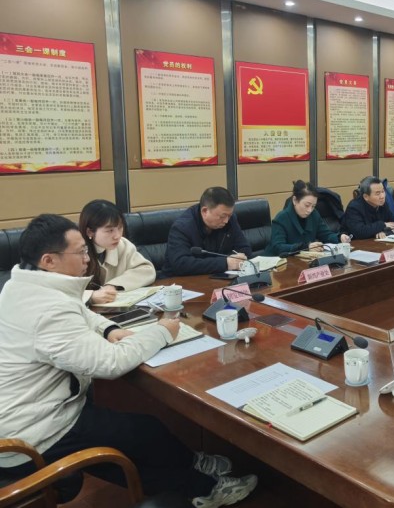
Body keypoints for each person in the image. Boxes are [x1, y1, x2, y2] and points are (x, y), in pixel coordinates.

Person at [0, 214, 257, 507]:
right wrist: (163, 331)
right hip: (35, 432)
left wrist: (109, 329)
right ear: (49, 261)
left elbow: (80, 313)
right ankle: (205, 487)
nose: (87, 258)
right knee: (143, 435)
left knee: (134, 440)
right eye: (80, 252)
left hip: (27, 414)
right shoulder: (48, 309)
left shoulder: (21, 286)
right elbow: (111, 364)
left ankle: (193, 467)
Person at [78, 199, 156, 305]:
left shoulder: (122, 245)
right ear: (89, 232)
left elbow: (147, 270)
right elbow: (59, 291)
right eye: (109, 230)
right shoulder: (73, 252)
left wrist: (113, 285)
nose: (117, 236)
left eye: (120, 228)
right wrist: (90, 296)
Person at [164, 187, 252, 276]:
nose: (226, 221)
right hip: (179, 281)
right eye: (222, 216)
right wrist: (225, 263)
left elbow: (245, 249)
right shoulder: (182, 227)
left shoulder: (230, 220)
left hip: (217, 277)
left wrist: (237, 258)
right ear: (205, 211)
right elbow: (181, 264)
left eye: (229, 216)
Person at [265, 180, 351, 256]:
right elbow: (278, 247)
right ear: (295, 200)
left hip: (301, 262)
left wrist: (340, 237)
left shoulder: (314, 214)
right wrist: (305, 247)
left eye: (313, 206)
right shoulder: (281, 218)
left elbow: (326, 235)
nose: (310, 210)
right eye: (307, 205)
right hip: (277, 263)